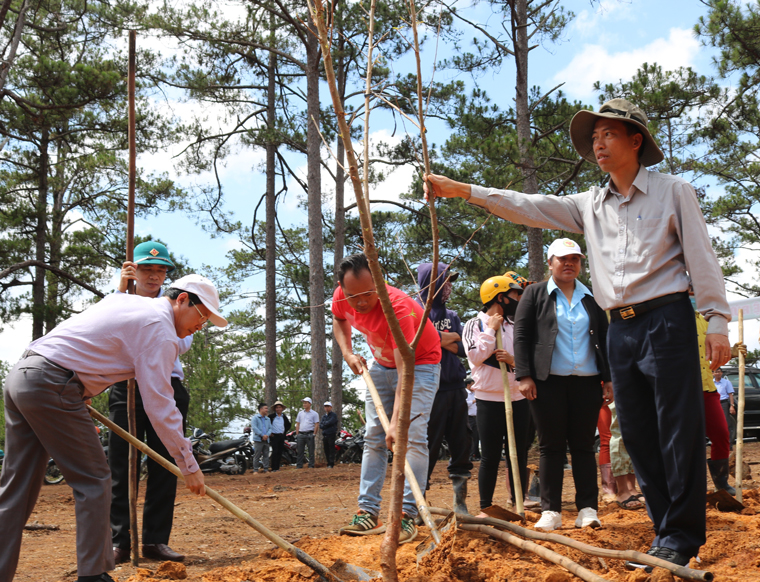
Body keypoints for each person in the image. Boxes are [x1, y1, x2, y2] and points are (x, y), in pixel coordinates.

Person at [425, 98, 732, 567]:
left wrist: (716, 322)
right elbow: (527, 205)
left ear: (636, 141)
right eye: (594, 137)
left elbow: (702, 258)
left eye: (608, 134)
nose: (598, 143)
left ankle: (681, 538)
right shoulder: (588, 205)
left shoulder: (674, 191)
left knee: (678, 431)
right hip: (619, 331)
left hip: (667, 320)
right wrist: (462, 190)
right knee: (637, 434)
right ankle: (664, 532)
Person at [0, 273, 226, 582]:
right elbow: (160, 405)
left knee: (16, 488)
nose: (200, 326)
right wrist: (188, 463)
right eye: (201, 316)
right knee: (94, 479)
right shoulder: (160, 330)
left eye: (206, 323)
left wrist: (80, 389)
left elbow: (93, 339)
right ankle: (94, 576)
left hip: (24, 376)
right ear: (182, 299)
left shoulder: (127, 302)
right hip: (53, 382)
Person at [332, 252, 441, 544]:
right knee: (373, 436)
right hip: (382, 363)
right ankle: (368, 511)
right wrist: (348, 354)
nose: (361, 302)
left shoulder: (399, 309)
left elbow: (406, 367)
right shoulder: (343, 295)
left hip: (420, 363)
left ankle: (407, 514)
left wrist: (397, 422)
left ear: (379, 283)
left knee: (411, 435)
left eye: (369, 293)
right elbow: (339, 319)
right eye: (354, 296)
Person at [514, 238, 613, 531]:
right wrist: (524, 375)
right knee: (550, 447)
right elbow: (521, 336)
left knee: (583, 446)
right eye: (562, 259)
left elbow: (605, 341)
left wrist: (608, 378)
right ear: (550, 262)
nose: (569, 264)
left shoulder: (592, 298)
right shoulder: (534, 294)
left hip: (587, 383)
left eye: (575, 259)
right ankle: (551, 511)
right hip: (547, 384)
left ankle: (587, 509)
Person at [108, 241, 192, 564]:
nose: (154, 276)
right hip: (125, 386)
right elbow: (109, 331)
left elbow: (183, 343)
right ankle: (120, 542)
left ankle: (156, 541)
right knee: (121, 464)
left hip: (165, 385)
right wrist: (120, 291)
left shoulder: (176, 305)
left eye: (161, 271)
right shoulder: (118, 301)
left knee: (164, 462)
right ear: (134, 271)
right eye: (147, 269)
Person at [463, 274, 530, 514]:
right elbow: (475, 357)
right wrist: (491, 331)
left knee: (518, 455)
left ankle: (519, 504)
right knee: (490, 456)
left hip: (518, 398)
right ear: (500, 297)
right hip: (489, 399)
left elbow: (528, 358)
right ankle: (486, 507)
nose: (517, 299)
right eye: (513, 294)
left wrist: (515, 362)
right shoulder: (475, 324)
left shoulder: (516, 325)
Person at [417, 262, 473, 515]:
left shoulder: (452, 316)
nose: (449, 286)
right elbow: (418, 344)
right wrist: (445, 339)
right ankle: (417, 505)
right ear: (432, 282)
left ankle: (460, 504)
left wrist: (440, 340)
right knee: (427, 446)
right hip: (430, 391)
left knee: (461, 443)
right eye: (445, 281)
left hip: (456, 388)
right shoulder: (417, 312)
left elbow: (463, 348)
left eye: (451, 281)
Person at [713, 368, 736, 447]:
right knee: (715, 424)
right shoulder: (711, 383)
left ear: (722, 373)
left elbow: (730, 394)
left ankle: (729, 444)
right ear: (713, 374)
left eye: (719, 372)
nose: (717, 373)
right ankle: (717, 444)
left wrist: (732, 406)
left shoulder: (726, 382)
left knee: (726, 423)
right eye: (716, 372)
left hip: (723, 403)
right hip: (714, 404)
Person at [295, 397, 319, 469]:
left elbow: (316, 424)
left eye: (305, 403)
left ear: (310, 404)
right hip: (301, 434)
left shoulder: (314, 414)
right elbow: (298, 423)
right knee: (300, 451)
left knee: (311, 451)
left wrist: (314, 434)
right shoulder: (300, 413)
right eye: (303, 403)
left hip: (310, 434)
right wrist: (297, 434)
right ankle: (299, 465)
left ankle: (311, 465)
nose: (304, 404)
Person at [268, 401, 291, 472]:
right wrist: (270, 433)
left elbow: (288, 425)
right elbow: (267, 425)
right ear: (275, 409)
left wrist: (284, 431)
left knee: (280, 452)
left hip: (281, 436)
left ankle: (277, 467)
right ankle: (273, 467)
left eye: (280, 407)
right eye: (277, 407)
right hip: (274, 436)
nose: (278, 409)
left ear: (282, 409)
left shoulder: (284, 417)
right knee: (275, 451)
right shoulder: (271, 417)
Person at [251, 403, 272, 473]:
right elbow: (254, 428)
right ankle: (255, 470)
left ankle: (266, 469)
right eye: (265, 408)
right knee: (257, 455)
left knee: (266, 455)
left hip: (266, 440)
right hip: (258, 440)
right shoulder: (255, 418)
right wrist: (262, 435)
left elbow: (270, 428)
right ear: (261, 409)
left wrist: (267, 435)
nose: (267, 410)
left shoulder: (268, 419)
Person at [466, 380, 480, 461]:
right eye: (472, 384)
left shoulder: (475, 393)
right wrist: (473, 401)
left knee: (476, 437)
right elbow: (463, 403)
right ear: (468, 385)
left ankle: (476, 455)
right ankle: (469, 456)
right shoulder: (465, 393)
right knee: (470, 437)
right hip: (469, 418)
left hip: (476, 418)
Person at [321, 401, 339, 468]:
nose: (326, 408)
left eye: (328, 406)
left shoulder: (333, 415)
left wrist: (325, 424)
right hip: (325, 434)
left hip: (331, 434)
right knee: (326, 449)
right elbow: (321, 425)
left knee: (331, 449)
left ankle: (331, 463)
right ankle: (328, 462)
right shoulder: (323, 416)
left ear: (331, 407)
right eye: (325, 407)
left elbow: (331, 422)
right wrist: (326, 424)